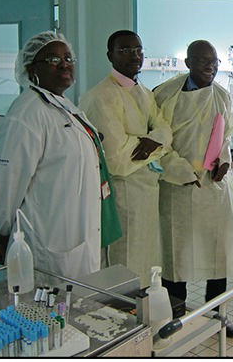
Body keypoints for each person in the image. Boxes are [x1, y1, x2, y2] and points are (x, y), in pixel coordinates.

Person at [0, 31, 120, 279]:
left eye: (68, 58)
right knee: (50, 309)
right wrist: (4, 233)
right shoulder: (27, 113)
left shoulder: (66, 106)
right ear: (31, 68)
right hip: (48, 238)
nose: (65, 65)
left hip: (77, 234)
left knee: (78, 307)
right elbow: (6, 180)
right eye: (53, 60)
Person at [153, 39, 233, 338]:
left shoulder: (221, 96)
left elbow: (225, 137)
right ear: (187, 63)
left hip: (213, 188)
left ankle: (217, 315)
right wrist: (182, 171)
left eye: (214, 62)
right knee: (177, 252)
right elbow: (160, 143)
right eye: (202, 61)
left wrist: (223, 161)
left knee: (218, 251)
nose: (210, 67)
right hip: (178, 186)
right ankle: (175, 314)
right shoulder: (166, 96)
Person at [80, 30, 172, 286]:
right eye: (125, 50)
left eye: (138, 49)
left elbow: (165, 130)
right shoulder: (101, 97)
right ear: (110, 56)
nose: (134, 55)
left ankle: (146, 309)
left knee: (148, 256)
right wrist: (154, 143)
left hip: (148, 188)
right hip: (124, 190)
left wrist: (150, 142)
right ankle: (125, 311)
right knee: (127, 256)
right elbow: (117, 157)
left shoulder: (143, 91)